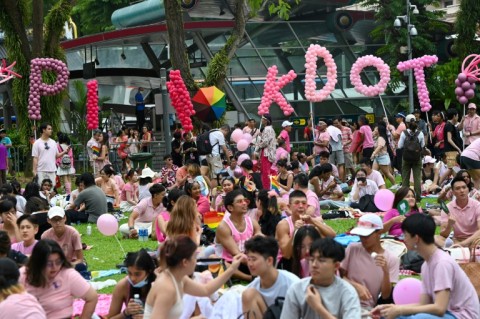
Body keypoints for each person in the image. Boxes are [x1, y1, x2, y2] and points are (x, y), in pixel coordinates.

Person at [371, 214, 479, 319]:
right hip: (447, 313)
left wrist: (400, 310)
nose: (404, 240)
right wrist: (392, 308)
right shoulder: (426, 265)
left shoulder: (442, 263)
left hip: (461, 315)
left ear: (416, 238)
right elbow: (423, 304)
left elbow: (440, 308)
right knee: (387, 316)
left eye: (406, 235)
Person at [144, 236, 246, 319]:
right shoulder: (167, 287)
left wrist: (232, 269)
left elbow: (205, 290)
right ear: (185, 262)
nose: (196, 261)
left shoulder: (178, 278)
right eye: (194, 257)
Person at [281, 237, 361, 319]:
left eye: (321, 260)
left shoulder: (347, 292)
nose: (314, 265)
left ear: (336, 265)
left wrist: (318, 308)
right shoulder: (297, 289)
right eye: (311, 259)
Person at [19, 240, 98, 319]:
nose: (54, 267)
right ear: (38, 262)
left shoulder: (68, 275)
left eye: (58, 262)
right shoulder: (23, 275)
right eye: (49, 263)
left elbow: (92, 297)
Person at [342, 214, 400, 313]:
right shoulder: (352, 248)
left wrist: (385, 272)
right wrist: (355, 286)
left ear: (379, 233)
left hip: (364, 308)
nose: (363, 239)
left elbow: (386, 295)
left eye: (367, 235)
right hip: (342, 300)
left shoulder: (391, 259)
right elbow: (338, 276)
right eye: (361, 235)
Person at [242, 236, 300, 318]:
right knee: (248, 295)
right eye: (248, 259)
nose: (250, 264)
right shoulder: (253, 287)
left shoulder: (292, 283)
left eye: (254, 259)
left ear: (269, 260)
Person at [215, 189, 262, 281]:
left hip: (248, 260)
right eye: (240, 202)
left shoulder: (252, 222)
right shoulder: (223, 227)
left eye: (245, 200)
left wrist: (260, 237)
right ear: (230, 208)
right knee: (219, 262)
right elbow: (236, 254)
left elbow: (260, 235)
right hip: (233, 262)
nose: (244, 203)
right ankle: (249, 278)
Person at [107, 249, 157, 319]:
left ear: (149, 272)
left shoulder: (159, 286)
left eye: (137, 274)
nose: (132, 278)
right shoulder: (123, 286)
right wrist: (126, 313)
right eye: (129, 273)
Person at [435, 176, 480, 247]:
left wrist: (463, 243)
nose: (462, 190)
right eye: (458, 188)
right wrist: (449, 225)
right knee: (435, 238)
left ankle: (455, 249)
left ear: (468, 189)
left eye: (464, 187)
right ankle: (456, 248)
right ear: (453, 192)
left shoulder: (477, 205)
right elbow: (443, 235)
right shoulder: (448, 207)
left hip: (474, 240)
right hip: (457, 240)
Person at [371, 121, 396, 186]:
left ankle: (395, 185)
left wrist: (374, 153)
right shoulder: (377, 137)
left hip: (382, 158)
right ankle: (374, 186)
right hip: (377, 157)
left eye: (376, 129)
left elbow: (380, 146)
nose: (375, 130)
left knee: (387, 173)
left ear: (379, 131)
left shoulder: (381, 138)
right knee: (373, 172)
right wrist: (373, 133)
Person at [256, 114, 276, 188]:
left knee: (265, 172)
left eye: (263, 119)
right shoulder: (270, 128)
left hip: (266, 153)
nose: (262, 120)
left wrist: (258, 145)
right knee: (266, 171)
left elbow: (265, 142)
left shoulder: (267, 129)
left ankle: (266, 188)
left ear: (266, 120)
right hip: (268, 152)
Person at [443, 108, 462, 178]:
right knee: (451, 168)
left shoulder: (451, 125)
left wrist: (462, 121)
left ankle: (454, 181)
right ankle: (438, 182)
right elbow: (449, 139)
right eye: (457, 116)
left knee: (452, 168)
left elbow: (459, 128)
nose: (458, 117)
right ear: (454, 116)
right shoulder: (449, 125)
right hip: (451, 150)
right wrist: (458, 149)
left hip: (452, 150)